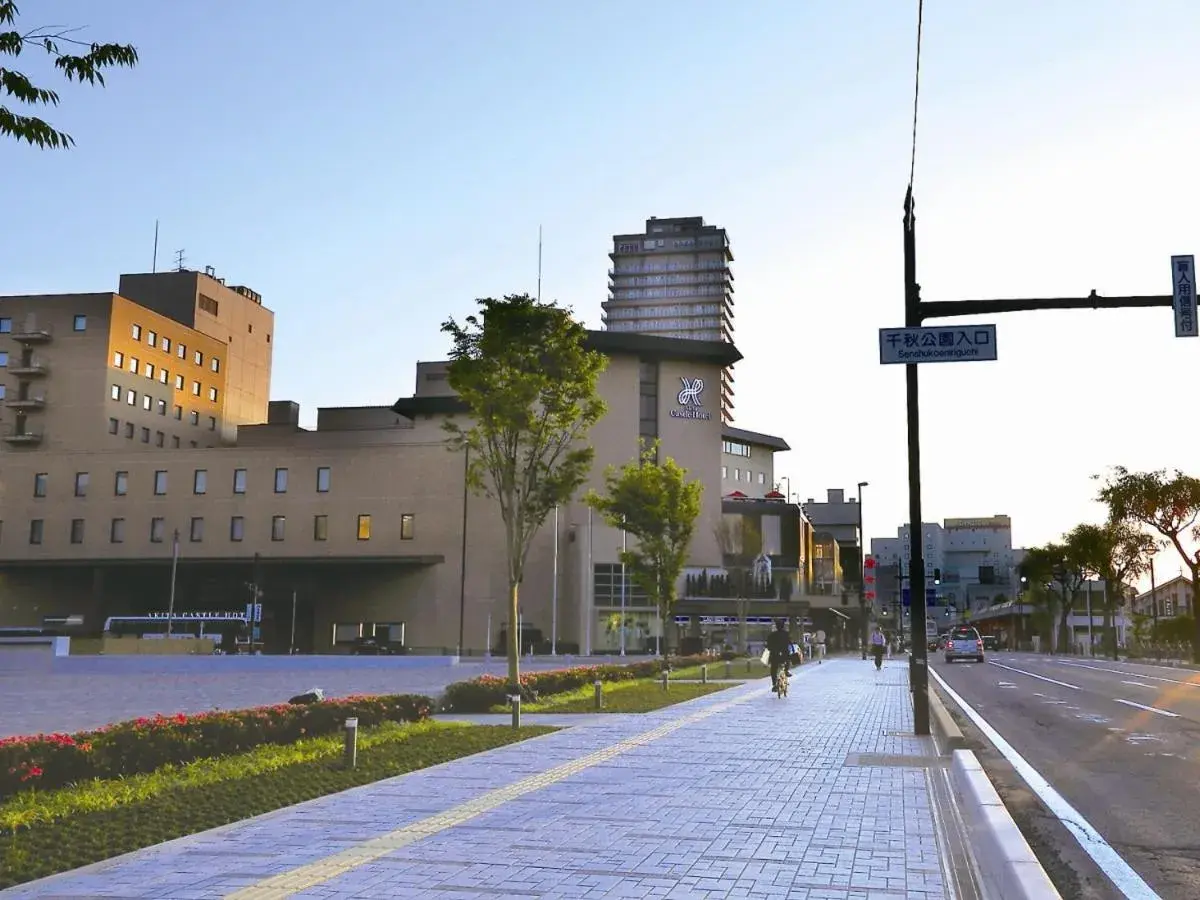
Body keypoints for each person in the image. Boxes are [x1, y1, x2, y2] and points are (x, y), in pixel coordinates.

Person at [766, 618, 793, 692]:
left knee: (773, 669)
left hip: (775, 656)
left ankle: (774, 684)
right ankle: (786, 671)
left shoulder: (771, 635)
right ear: (783, 626)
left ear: (776, 626)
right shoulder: (786, 634)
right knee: (787, 661)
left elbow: (768, 646)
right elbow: (790, 643)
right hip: (784, 655)